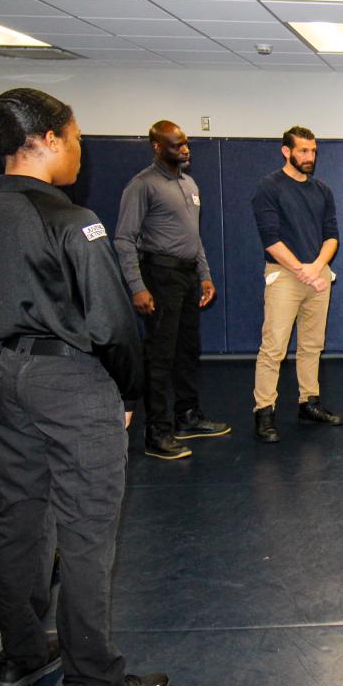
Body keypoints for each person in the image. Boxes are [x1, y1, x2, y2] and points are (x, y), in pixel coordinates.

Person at [0, 87, 168, 686]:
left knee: (21, 517)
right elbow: (112, 323)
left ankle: (20, 657)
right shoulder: (70, 219)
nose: (79, 151)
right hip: (70, 383)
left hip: (8, 374)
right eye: (75, 137)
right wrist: (127, 394)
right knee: (84, 532)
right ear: (47, 139)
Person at [114, 119, 229, 460]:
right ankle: (157, 433)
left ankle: (187, 416)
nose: (185, 149)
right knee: (160, 357)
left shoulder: (190, 184)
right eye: (178, 144)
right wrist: (137, 286)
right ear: (157, 146)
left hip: (187, 275)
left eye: (186, 143)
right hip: (159, 275)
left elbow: (193, 237)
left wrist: (204, 275)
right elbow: (124, 240)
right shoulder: (142, 185)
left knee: (186, 351)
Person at [250, 125, 341, 442]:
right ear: (286, 151)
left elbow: (332, 236)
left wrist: (316, 266)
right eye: (303, 150)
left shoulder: (322, 191)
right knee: (273, 347)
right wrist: (301, 270)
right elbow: (270, 239)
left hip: (317, 274)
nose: (309, 156)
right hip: (285, 275)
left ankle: (309, 401)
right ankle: (264, 411)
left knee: (312, 345)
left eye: (313, 150)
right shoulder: (269, 187)